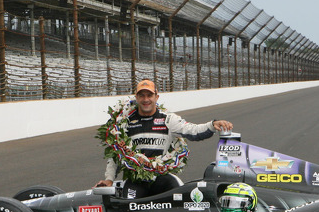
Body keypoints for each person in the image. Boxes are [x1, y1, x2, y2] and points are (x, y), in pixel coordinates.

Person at [95, 79, 233, 198]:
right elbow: (117, 155)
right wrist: (109, 179)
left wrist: (212, 125)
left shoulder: (168, 119)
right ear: (136, 98)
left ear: (157, 97)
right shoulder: (124, 122)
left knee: (179, 199)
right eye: (141, 95)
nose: (145, 99)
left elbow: (193, 130)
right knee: (127, 206)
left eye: (149, 95)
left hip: (162, 177)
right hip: (136, 180)